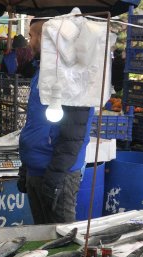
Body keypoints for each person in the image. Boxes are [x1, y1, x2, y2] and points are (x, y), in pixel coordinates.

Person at [17, 15, 94, 224]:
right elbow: (35, 123)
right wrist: (26, 167)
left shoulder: (74, 76)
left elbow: (73, 136)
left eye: (32, 36)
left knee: (62, 239)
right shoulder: (42, 72)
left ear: (47, 37)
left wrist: (55, 178)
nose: (29, 42)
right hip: (36, 170)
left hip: (58, 174)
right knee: (41, 237)